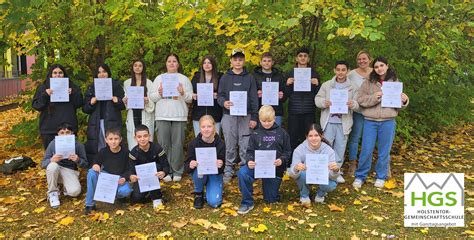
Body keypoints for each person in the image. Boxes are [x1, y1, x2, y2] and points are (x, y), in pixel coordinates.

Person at [353, 57, 409, 189]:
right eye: (377, 66)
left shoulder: (395, 82)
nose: (379, 68)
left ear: (387, 66)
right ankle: (360, 176)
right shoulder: (368, 82)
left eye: (382, 65)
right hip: (370, 121)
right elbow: (360, 99)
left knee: (384, 151)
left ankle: (381, 176)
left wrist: (405, 101)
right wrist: (374, 98)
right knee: (366, 149)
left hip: (388, 121)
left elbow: (399, 106)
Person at [236, 106, 291, 214]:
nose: (266, 123)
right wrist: (250, 161)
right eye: (263, 121)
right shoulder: (255, 134)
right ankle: (247, 202)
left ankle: (272, 191)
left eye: (269, 121)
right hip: (257, 167)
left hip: (275, 169)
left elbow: (288, 151)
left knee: (270, 199)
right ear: (259, 120)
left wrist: (282, 160)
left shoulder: (282, 133)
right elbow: (250, 151)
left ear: (274, 118)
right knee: (242, 173)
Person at [149, 53, 193, 182]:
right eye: (169, 61)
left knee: (178, 144)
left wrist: (183, 93)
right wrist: (159, 93)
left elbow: (190, 99)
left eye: (174, 61)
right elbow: (152, 97)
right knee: (163, 145)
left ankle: (177, 170)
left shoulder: (184, 79)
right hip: (162, 115)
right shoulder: (159, 78)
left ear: (178, 64)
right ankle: (165, 170)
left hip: (179, 115)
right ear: (166, 64)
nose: (172, 63)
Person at [217, 48, 259, 184]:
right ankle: (228, 169)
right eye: (235, 59)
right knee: (229, 143)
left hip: (245, 115)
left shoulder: (250, 78)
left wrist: (254, 117)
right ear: (231, 61)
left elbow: (254, 98)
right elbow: (220, 96)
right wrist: (224, 103)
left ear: (244, 61)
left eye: (240, 59)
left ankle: (244, 169)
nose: (238, 62)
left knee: (245, 143)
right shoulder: (225, 77)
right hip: (229, 115)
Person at [315, 60, 359, 183]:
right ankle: (324, 171)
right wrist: (324, 103)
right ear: (334, 70)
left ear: (348, 71)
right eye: (338, 69)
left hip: (344, 122)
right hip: (328, 121)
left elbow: (359, 104)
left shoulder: (353, 87)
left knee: (340, 147)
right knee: (326, 147)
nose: (340, 72)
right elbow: (317, 99)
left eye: (343, 70)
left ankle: (336, 171)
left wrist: (353, 104)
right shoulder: (327, 85)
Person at [32, 64, 83, 149]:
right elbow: (36, 105)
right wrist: (45, 95)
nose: (58, 75)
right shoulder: (43, 87)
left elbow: (80, 103)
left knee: (68, 158)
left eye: (60, 73)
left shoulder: (72, 86)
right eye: (54, 73)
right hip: (49, 129)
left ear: (64, 75)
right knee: (52, 158)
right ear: (50, 75)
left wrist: (73, 93)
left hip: (68, 129)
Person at [83, 64, 125, 165]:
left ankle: (114, 167)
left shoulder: (115, 85)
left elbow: (123, 106)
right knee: (98, 145)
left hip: (112, 122)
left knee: (112, 144)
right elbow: (85, 108)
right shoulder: (91, 87)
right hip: (96, 123)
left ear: (108, 73)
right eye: (99, 72)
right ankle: (98, 168)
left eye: (104, 72)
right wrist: (91, 103)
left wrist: (117, 101)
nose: (102, 74)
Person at [289, 124, 339, 207]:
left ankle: (321, 194)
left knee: (332, 185)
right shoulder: (300, 149)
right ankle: (304, 195)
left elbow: (333, 177)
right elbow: (292, 174)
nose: (314, 138)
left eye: (316, 135)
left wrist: (335, 170)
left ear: (321, 136)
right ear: (306, 137)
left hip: (323, 176)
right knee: (301, 174)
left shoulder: (328, 150)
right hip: (306, 175)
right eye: (310, 136)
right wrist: (296, 168)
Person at [84, 129, 132, 215]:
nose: (113, 142)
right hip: (106, 178)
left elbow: (130, 169)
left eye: (116, 139)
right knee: (91, 172)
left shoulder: (126, 152)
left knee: (126, 191)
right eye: (110, 139)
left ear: (120, 139)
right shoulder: (103, 151)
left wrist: (125, 178)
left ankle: (118, 196)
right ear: (106, 140)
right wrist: (96, 165)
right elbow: (96, 161)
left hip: (119, 179)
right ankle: (90, 204)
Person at [41, 122, 88, 208]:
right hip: (56, 168)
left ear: (72, 133)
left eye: (67, 132)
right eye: (62, 133)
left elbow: (85, 164)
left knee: (75, 192)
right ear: (58, 134)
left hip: (70, 170)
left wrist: (78, 159)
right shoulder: (53, 144)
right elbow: (43, 164)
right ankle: (53, 193)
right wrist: (52, 160)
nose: (65, 135)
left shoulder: (78, 145)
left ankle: (63, 186)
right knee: (52, 166)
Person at [285, 47, 321, 154]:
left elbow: (319, 94)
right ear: (296, 58)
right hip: (294, 111)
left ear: (308, 58)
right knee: (293, 138)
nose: (303, 58)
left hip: (309, 111)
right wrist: (287, 84)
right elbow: (285, 95)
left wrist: (317, 85)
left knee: (309, 138)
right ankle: (292, 163)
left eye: (305, 56)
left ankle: (308, 162)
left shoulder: (314, 74)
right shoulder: (290, 73)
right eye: (300, 56)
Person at [185, 115, 226, 209]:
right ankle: (198, 193)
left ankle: (210, 187)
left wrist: (220, 164)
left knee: (214, 203)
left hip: (215, 174)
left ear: (214, 127)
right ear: (199, 128)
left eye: (209, 126)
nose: (206, 129)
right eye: (203, 127)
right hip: (200, 173)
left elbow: (222, 168)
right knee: (199, 173)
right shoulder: (193, 144)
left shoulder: (221, 144)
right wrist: (191, 165)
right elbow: (186, 167)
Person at [129, 125, 170, 208]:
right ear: (135, 138)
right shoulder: (133, 152)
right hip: (141, 178)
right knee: (136, 198)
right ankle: (149, 193)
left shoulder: (157, 148)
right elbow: (130, 169)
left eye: (145, 136)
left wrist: (164, 172)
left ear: (149, 136)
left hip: (155, 174)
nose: (142, 139)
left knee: (156, 167)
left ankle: (157, 197)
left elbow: (166, 165)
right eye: (139, 137)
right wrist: (131, 176)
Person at [347, 50, 373, 176]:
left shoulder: (375, 72)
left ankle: (367, 163)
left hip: (372, 110)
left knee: (370, 138)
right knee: (355, 137)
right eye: (359, 59)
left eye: (364, 59)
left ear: (370, 60)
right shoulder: (351, 74)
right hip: (358, 110)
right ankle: (352, 163)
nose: (362, 61)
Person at [123, 60, 155, 150]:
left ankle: (148, 163)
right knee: (133, 144)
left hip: (145, 114)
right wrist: (125, 101)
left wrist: (147, 101)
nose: (137, 67)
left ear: (143, 68)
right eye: (135, 65)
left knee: (146, 143)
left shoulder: (149, 83)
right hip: (133, 114)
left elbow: (152, 103)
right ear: (132, 68)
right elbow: (124, 102)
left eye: (140, 66)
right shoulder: (127, 83)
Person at [191, 56, 223, 137]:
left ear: (213, 65)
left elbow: (224, 94)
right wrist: (193, 95)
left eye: (209, 63)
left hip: (215, 114)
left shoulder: (220, 77)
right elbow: (190, 93)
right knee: (199, 140)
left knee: (215, 140)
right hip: (198, 114)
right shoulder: (196, 78)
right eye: (204, 63)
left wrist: (217, 95)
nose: (207, 65)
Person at [252, 52, 286, 126]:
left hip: (276, 111)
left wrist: (282, 96)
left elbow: (285, 95)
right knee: (261, 135)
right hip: (260, 110)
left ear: (272, 62)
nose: (266, 63)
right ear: (260, 62)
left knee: (276, 134)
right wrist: (256, 94)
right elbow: (250, 94)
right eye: (264, 61)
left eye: (269, 61)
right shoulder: (254, 76)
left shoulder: (279, 76)